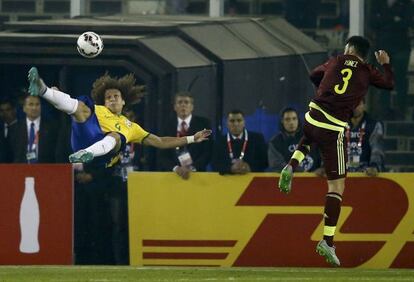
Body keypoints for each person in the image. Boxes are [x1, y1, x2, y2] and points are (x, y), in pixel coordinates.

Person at [278, 36, 394, 266]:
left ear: (349, 48)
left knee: (310, 135)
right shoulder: (368, 70)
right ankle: (327, 241)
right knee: (337, 186)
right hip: (334, 127)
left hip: (314, 113)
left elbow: (313, 75)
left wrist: (325, 89)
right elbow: (389, 85)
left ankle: (291, 165)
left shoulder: (335, 60)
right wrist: (386, 63)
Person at [27, 67, 212, 167]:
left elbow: (161, 141)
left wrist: (191, 138)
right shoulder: (98, 110)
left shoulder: (131, 126)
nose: (112, 99)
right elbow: (72, 106)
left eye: (116, 96)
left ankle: (89, 153)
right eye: (108, 97)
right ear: (104, 102)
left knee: (116, 136)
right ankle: (41, 89)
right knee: (81, 108)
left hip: (103, 157)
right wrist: (56, 95)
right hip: (83, 143)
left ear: (124, 102)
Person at [157, 92, 212, 179]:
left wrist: (193, 168)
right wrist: (176, 168)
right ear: (175, 107)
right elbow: (161, 153)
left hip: (198, 175)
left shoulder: (203, 124)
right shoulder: (166, 125)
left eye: (186, 102)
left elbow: (208, 151)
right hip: (172, 176)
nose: (183, 105)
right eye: (180, 102)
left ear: (192, 107)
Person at [212, 109, 268, 174]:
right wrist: (230, 168)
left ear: (244, 122)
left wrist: (249, 167)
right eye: (232, 121)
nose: (236, 124)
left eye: (239, 120)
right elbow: (214, 165)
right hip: (227, 182)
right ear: (227, 123)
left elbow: (265, 162)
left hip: (252, 181)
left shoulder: (257, 139)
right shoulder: (220, 141)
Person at [268, 107, 321, 173]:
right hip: (290, 180)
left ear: (298, 120)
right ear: (282, 121)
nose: (291, 122)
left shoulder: (311, 137)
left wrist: (322, 168)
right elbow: (276, 165)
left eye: (294, 118)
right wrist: (302, 172)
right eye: (287, 119)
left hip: (315, 179)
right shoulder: (275, 142)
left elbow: (323, 156)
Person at [9, 95, 58, 163]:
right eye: (31, 104)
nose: (34, 108)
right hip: (20, 169)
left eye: (37, 104)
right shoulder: (15, 128)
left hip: (45, 169)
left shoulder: (52, 127)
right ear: (24, 108)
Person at [347, 99, 385, 175]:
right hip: (343, 174)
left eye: (358, 104)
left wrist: (374, 166)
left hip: (365, 174)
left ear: (364, 105)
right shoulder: (339, 124)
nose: (355, 107)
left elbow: (377, 150)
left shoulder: (374, 125)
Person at [0, 98, 18, 162]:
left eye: (8, 110)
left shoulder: (23, 128)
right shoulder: (1, 129)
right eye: (1, 110)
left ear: (14, 110)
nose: (4, 113)